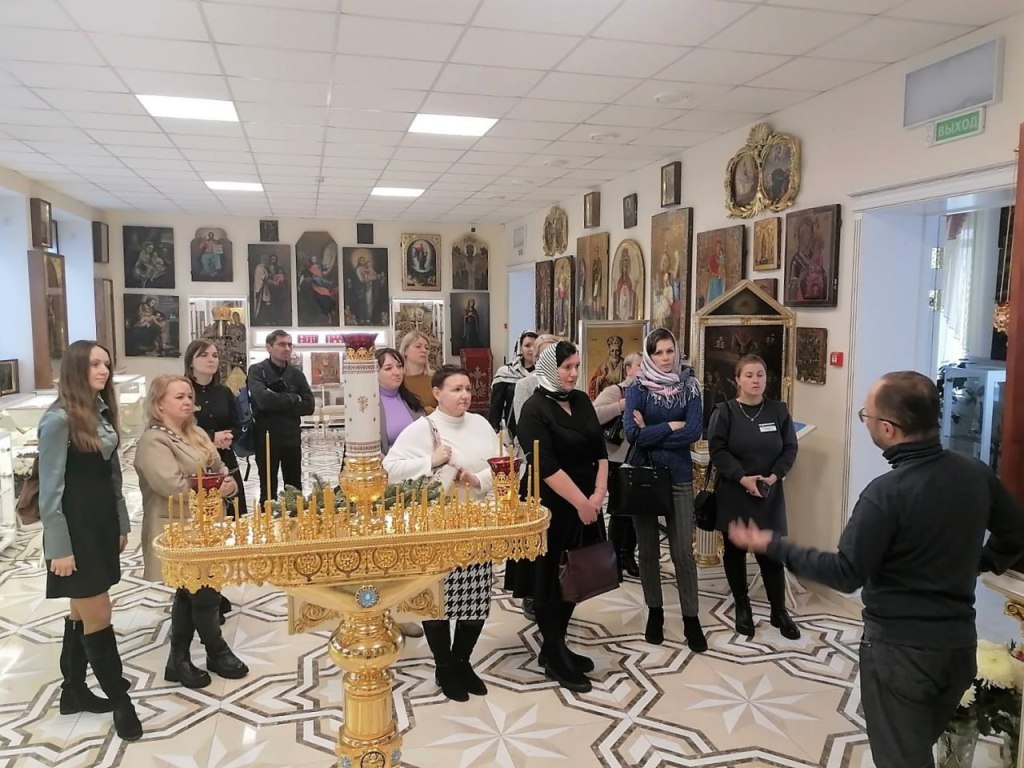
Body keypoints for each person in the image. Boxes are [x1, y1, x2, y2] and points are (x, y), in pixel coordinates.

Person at [729, 371, 1024, 768]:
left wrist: (772, 545)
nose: (864, 421)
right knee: (915, 750)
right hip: (957, 650)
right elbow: (1015, 533)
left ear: (887, 428)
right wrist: (978, 563)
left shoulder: (885, 495)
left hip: (900, 656)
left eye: (865, 415)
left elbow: (845, 573)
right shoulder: (975, 473)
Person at [39, 340, 141, 741]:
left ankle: (73, 690)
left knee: (81, 612)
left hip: (100, 524)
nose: (103, 370)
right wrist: (59, 547)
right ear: (76, 368)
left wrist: (120, 522)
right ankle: (120, 700)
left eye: (107, 364)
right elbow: (50, 492)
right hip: (75, 530)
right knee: (99, 612)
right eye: (95, 364)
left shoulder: (100, 412)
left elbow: (112, 476)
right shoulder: (58, 420)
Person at [383, 365, 499, 701]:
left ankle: (462, 661)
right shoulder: (423, 428)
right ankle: (444, 665)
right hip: (436, 525)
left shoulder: (480, 424)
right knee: (437, 601)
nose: (464, 395)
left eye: (467, 389)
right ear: (437, 393)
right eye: (456, 389)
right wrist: (431, 461)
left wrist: (477, 480)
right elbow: (391, 469)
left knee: (475, 597)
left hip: (475, 522)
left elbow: (501, 463)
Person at [134, 375, 248, 690]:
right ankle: (216, 649)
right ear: (159, 404)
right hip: (177, 527)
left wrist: (225, 483)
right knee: (202, 592)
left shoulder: (195, 433)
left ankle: (178, 659)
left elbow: (219, 467)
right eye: (179, 397)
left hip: (206, 524)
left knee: (195, 590)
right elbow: (171, 485)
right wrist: (212, 484)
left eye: (189, 396)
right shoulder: (154, 441)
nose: (187, 402)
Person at [510, 342, 609, 693]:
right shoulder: (534, 409)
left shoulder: (581, 400)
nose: (573, 374)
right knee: (549, 579)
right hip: (549, 504)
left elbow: (600, 450)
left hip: (587, 500)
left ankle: (557, 646)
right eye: (566, 367)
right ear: (551, 368)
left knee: (575, 575)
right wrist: (582, 502)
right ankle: (553, 654)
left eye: (576, 366)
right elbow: (545, 465)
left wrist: (598, 494)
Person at [624, 328, 707, 652]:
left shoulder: (690, 386)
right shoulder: (638, 387)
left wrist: (652, 431)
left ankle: (691, 619)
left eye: (669, 350)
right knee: (647, 551)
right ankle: (655, 613)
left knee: (683, 553)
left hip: (679, 476)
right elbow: (632, 434)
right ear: (649, 355)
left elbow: (694, 431)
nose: (665, 357)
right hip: (644, 476)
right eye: (658, 352)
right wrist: (671, 426)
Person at [708, 354, 799, 640]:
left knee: (771, 556)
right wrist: (741, 477)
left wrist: (775, 475)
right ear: (737, 380)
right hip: (735, 492)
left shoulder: (778, 411)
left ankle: (778, 611)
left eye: (760, 374)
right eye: (748, 375)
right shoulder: (725, 412)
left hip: (768, 494)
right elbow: (718, 450)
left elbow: (790, 447)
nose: (755, 380)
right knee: (735, 553)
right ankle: (743, 606)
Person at [247, 330, 315, 504]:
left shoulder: (296, 375)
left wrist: (276, 400)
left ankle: (295, 519)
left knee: (294, 489)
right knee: (268, 489)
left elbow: (309, 406)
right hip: (266, 438)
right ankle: (268, 518)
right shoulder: (257, 371)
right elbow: (262, 400)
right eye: (282, 344)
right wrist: (293, 398)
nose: (287, 348)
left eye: (290, 345)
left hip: (291, 438)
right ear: (269, 347)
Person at [593, 352, 642, 580]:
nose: (644, 370)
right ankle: (613, 559)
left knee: (634, 512)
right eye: (640, 365)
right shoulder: (616, 391)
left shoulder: (650, 392)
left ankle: (628, 555)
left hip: (639, 458)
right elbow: (595, 414)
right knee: (620, 510)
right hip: (615, 459)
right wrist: (622, 405)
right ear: (628, 369)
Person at [185, 340, 247, 517]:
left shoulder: (224, 392)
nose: (211, 360)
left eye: (215, 356)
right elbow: (180, 428)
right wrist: (212, 438)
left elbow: (238, 424)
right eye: (204, 355)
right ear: (191, 362)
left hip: (224, 458)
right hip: (194, 459)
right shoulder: (183, 391)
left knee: (233, 512)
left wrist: (228, 437)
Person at [377, 347, 425, 455]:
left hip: (420, 460)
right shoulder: (369, 408)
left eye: (399, 366)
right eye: (388, 368)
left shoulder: (411, 401)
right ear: (375, 373)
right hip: (388, 463)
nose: (397, 372)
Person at [488, 330, 538, 435]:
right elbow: (496, 405)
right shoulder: (506, 372)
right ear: (520, 348)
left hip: (538, 426)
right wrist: (494, 430)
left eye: (535, 346)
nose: (532, 349)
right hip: (513, 428)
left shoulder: (544, 374)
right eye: (527, 346)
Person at [398, 331, 436, 413]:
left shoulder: (435, 379)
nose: (424, 350)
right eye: (418, 346)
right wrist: (425, 410)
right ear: (405, 351)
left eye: (427, 348)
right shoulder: (397, 379)